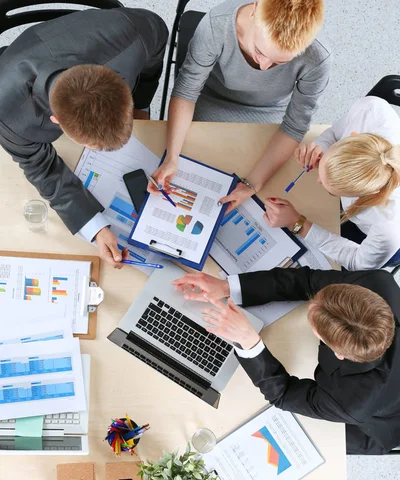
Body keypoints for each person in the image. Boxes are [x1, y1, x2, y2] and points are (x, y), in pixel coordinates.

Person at [0, 8, 168, 267]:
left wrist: (141, 107)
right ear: (57, 123)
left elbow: (156, 46)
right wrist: (97, 228)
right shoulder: (7, 114)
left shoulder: (138, 34)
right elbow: (41, 168)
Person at [172, 268, 400, 455]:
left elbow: (284, 394)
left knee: (313, 439)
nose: (312, 304)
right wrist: (227, 287)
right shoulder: (376, 282)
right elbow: (308, 280)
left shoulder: (349, 402)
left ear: (339, 353)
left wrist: (249, 341)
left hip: (378, 426)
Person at [149, 0, 331, 210]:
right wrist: (171, 158)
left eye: (279, 62)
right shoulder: (217, 24)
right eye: (259, 51)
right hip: (209, 101)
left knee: (270, 188)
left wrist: (252, 184)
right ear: (254, 10)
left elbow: (294, 126)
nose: (264, 67)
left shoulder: (318, 58)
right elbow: (186, 92)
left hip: (269, 115)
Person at [262, 96, 400, 270]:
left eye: (332, 191)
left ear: (367, 192)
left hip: (382, 246)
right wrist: (320, 146)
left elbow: (357, 262)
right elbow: (334, 133)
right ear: (352, 136)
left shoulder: (389, 226)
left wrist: (298, 223)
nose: (318, 180)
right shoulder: (370, 110)